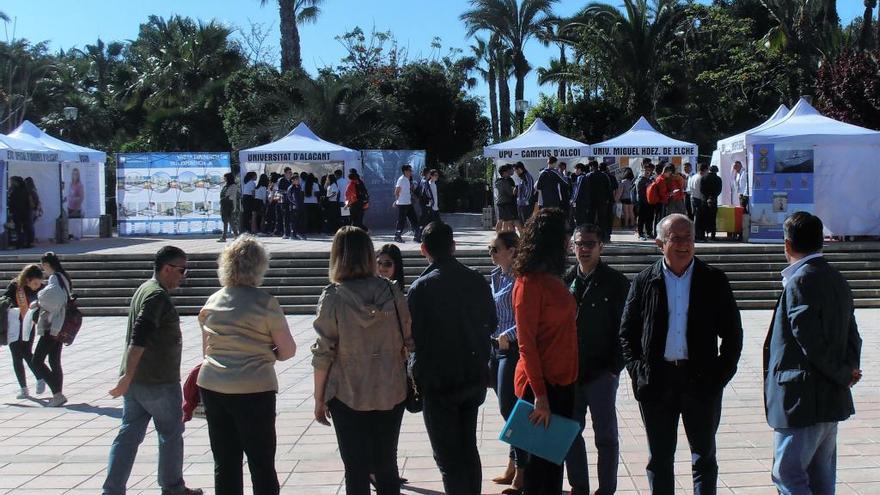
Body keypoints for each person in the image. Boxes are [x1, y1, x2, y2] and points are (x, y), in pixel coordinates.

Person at [620, 214, 743, 495]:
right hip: (657, 381)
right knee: (660, 458)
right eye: (675, 238)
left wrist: (719, 376)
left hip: (700, 380)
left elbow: (733, 334)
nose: (683, 244)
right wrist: (639, 371)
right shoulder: (644, 281)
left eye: (688, 237)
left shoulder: (713, 279)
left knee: (704, 456)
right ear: (659, 243)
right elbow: (627, 334)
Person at [764, 212, 862, 494]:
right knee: (821, 479)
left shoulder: (800, 281)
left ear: (787, 245)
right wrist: (848, 372)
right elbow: (852, 334)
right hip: (829, 397)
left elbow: (810, 342)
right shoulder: (836, 277)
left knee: (788, 474)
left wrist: (844, 374)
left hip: (802, 400)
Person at [312, 226, 413, 495]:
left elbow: (323, 351)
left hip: (347, 392)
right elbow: (408, 338)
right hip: (391, 388)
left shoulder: (333, 296)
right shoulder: (392, 292)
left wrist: (318, 397)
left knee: (355, 468)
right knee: (387, 464)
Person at [197, 236, 296, 495]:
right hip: (254, 388)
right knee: (261, 462)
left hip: (214, 387)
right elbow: (288, 350)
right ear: (260, 266)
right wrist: (266, 353)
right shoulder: (265, 303)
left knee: (225, 463)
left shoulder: (212, 302)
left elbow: (206, 350)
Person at [103, 246, 203, 495]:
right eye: (182, 270)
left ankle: (112, 490)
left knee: (128, 436)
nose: (183, 276)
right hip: (158, 382)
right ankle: (172, 487)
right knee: (170, 434)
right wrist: (126, 376)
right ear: (167, 269)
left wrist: (128, 376)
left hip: (138, 381)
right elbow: (140, 336)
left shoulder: (144, 289)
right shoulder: (156, 296)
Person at [407, 221, 496, 495]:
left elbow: (413, 338)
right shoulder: (476, 279)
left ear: (424, 250)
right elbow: (491, 323)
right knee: (468, 447)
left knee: (448, 456)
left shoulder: (420, 288)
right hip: (472, 375)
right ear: (454, 246)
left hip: (438, 381)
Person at [511, 208, 578, 494]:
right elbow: (526, 344)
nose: (569, 240)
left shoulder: (553, 277)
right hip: (541, 388)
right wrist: (540, 396)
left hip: (563, 384)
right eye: (565, 234)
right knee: (540, 473)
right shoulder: (528, 283)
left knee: (553, 466)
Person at [564, 223, 629, 495]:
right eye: (579, 244)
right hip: (569, 372)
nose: (584, 249)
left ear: (601, 247)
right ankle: (579, 487)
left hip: (602, 372)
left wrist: (615, 367)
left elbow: (627, 330)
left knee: (606, 437)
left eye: (590, 243)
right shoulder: (565, 279)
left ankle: (606, 490)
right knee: (569, 433)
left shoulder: (616, 283)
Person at [487, 232, 526, 492]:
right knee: (507, 410)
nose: (491, 253)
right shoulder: (494, 276)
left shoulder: (521, 278)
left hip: (512, 349)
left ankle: (522, 471)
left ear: (512, 251)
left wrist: (506, 335)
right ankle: (513, 463)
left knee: (510, 410)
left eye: (495, 249)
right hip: (494, 348)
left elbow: (525, 316)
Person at [32, 252, 70, 407]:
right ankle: (57, 395)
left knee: (37, 360)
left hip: (52, 324)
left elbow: (53, 298)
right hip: (61, 323)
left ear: (47, 264)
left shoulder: (55, 277)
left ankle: (57, 393)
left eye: (43, 266)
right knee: (54, 360)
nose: (43, 270)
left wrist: (39, 300)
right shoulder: (64, 277)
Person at [5, 264, 44, 399]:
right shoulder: (15, 286)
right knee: (16, 355)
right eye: (34, 283)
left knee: (27, 352)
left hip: (29, 325)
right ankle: (23, 388)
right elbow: (5, 300)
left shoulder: (41, 288)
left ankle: (40, 378)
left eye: (39, 283)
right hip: (14, 326)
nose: (37, 286)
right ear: (27, 279)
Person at [394, 164, 422, 243]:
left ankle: (417, 236)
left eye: (411, 170)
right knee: (401, 221)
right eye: (409, 170)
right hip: (402, 204)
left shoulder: (408, 179)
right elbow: (396, 192)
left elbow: (408, 191)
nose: (411, 172)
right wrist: (396, 201)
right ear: (405, 171)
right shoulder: (401, 179)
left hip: (408, 203)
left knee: (414, 219)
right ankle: (397, 236)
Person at [635, 160, 656, 240]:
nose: (648, 172)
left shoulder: (650, 180)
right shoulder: (640, 180)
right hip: (642, 202)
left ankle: (649, 232)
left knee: (650, 218)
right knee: (641, 218)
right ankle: (640, 233)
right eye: (646, 170)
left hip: (650, 202)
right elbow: (640, 193)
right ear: (643, 171)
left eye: (649, 171)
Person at [8, 177, 32, 249]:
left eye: (13, 182)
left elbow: (11, 203)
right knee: (26, 228)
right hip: (25, 212)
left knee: (18, 229)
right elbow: (28, 203)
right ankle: (27, 243)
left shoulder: (14, 192)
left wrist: (11, 212)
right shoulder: (26, 191)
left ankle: (19, 243)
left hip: (17, 212)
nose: (12, 183)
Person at [701, 166, 722, 241]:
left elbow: (702, 190)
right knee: (713, 218)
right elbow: (719, 190)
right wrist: (713, 196)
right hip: (713, 200)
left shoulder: (703, 178)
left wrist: (707, 197)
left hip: (705, 200)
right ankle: (713, 235)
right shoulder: (718, 179)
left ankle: (704, 235)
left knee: (704, 218)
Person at [495, 164, 518, 233]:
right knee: (506, 221)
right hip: (506, 203)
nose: (509, 173)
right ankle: (502, 237)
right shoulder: (505, 182)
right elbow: (510, 193)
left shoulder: (498, 181)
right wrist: (516, 189)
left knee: (501, 220)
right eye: (508, 172)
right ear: (504, 173)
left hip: (500, 202)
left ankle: (498, 235)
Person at [689, 164, 708, 241]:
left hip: (692, 198)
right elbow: (702, 190)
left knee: (695, 217)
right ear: (704, 169)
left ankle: (696, 234)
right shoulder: (701, 178)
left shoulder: (693, 177)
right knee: (699, 219)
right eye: (707, 169)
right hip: (699, 199)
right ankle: (697, 235)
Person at [513, 162, 535, 227]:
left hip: (526, 206)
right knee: (522, 224)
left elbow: (529, 190)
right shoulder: (522, 178)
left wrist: (525, 200)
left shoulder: (527, 177)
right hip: (520, 204)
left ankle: (528, 236)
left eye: (516, 170)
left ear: (519, 169)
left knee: (527, 224)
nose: (515, 173)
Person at [219, 173, 239, 242]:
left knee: (228, 220)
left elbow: (232, 196)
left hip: (229, 204)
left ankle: (224, 236)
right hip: (224, 204)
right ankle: (235, 235)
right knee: (227, 220)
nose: (224, 179)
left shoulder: (233, 186)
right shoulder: (225, 185)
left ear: (228, 178)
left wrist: (225, 199)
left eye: (225, 177)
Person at [285, 173, 305, 241]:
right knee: (294, 221)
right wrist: (294, 203)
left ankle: (297, 233)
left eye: (298, 179)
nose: (298, 181)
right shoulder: (291, 187)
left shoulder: (298, 186)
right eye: (296, 179)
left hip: (299, 206)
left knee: (299, 220)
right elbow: (289, 197)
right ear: (292, 180)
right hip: (293, 206)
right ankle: (293, 234)